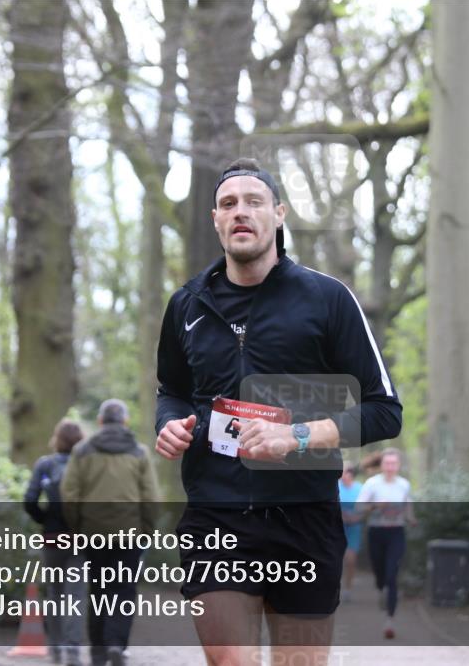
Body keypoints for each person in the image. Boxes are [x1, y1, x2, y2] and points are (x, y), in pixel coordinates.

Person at [154, 157, 402, 665]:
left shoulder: (328, 299)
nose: (240, 212)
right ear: (215, 220)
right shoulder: (188, 305)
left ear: (279, 214)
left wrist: (298, 438)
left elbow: (384, 411)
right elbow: (171, 390)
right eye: (228, 204)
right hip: (216, 515)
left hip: (304, 519)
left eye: (253, 202)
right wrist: (169, 424)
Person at [61, 400, 160, 666]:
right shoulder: (139, 453)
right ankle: (117, 644)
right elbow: (151, 498)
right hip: (130, 535)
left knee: (98, 590)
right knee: (124, 590)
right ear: (125, 421)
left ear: (101, 421)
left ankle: (98, 651)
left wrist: (77, 527)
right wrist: (147, 530)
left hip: (92, 534)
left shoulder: (82, 451)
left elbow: (69, 495)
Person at [24, 419, 86, 666]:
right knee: (76, 594)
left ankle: (56, 648)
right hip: (82, 538)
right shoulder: (86, 465)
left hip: (52, 538)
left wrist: (45, 520)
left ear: (56, 438)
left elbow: (29, 500)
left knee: (55, 593)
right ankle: (73, 650)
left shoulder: (45, 465)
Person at [356, 447, 416, 640]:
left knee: (392, 574)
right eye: (387, 463)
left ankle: (389, 620)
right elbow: (359, 508)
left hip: (396, 533)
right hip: (376, 533)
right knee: (380, 573)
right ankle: (381, 588)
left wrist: (411, 519)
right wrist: (375, 506)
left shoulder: (404, 485)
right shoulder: (372, 484)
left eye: (393, 463)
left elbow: (408, 506)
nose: (390, 467)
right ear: (381, 465)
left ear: (398, 465)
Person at [337, 463, 364, 602]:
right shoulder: (334, 486)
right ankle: (334, 587)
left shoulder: (360, 488)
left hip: (353, 528)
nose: (344, 474)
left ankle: (348, 588)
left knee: (350, 560)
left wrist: (356, 517)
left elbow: (365, 508)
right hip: (336, 527)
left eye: (347, 472)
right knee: (336, 560)